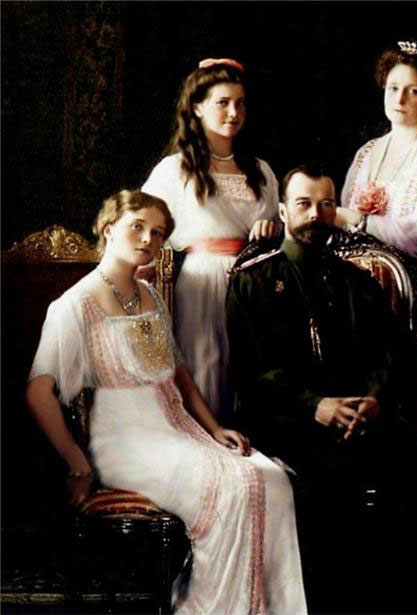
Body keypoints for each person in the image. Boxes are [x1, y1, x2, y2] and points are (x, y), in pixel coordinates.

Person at [25, 190, 306, 615]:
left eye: (158, 233)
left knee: (272, 479)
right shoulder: (74, 305)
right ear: (108, 228)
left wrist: (214, 427)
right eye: (137, 227)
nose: (148, 239)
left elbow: (179, 372)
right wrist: (77, 463)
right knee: (234, 485)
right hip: (125, 441)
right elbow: (37, 392)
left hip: (179, 429)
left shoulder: (151, 296)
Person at [226, 165, 417, 614]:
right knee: (328, 484)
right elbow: (253, 372)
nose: (315, 214)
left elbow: (391, 355)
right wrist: (315, 405)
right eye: (304, 204)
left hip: (362, 416)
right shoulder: (253, 281)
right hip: (288, 419)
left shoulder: (359, 282)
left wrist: (374, 400)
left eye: (326, 204)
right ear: (283, 211)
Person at [142, 57, 280, 418]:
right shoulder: (175, 170)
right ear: (198, 108)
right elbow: (144, 225)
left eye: (240, 103)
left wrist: (269, 231)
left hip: (252, 284)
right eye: (223, 103)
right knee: (207, 369)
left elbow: (275, 226)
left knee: (251, 373)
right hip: (201, 283)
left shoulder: (260, 171)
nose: (234, 112)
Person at [337, 41, 417, 262]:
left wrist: (361, 221)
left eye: (413, 91)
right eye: (393, 88)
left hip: (411, 274)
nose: (399, 99)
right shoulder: (366, 152)